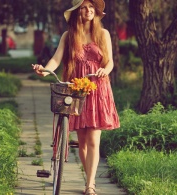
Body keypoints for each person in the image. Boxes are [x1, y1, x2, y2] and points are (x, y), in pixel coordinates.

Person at [32, 0, 120, 194]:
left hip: (97, 88)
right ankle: (89, 177)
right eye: (83, 7)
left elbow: (110, 61)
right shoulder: (69, 36)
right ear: (77, 12)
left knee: (93, 140)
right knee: (82, 141)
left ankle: (90, 184)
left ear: (95, 12)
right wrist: (44, 71)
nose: (88, 11)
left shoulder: (103, 34)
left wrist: (104, 71)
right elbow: (56, 59)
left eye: (90, 7)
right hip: (76, 89)